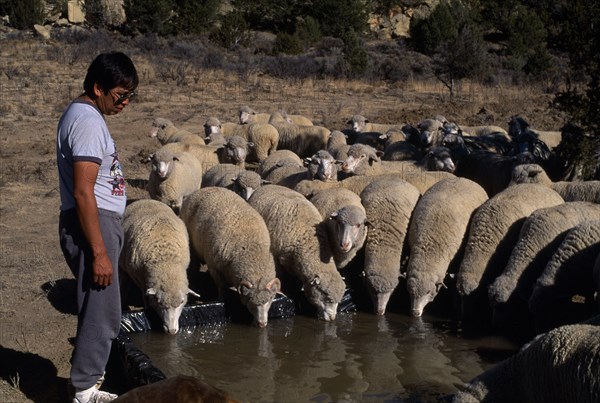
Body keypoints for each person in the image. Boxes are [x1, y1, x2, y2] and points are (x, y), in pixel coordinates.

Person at [56, 51, 138, 403]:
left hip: (100, 222)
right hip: (94, 223)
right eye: (120, 96)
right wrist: (101, 253)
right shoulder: (88, 121)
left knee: (101, 306)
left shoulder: (85, 115)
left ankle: (88, 383)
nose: (125, 104)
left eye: (129, 96)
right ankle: (85, 390)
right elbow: (82, 190)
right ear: (97, 87)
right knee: (101, 310)